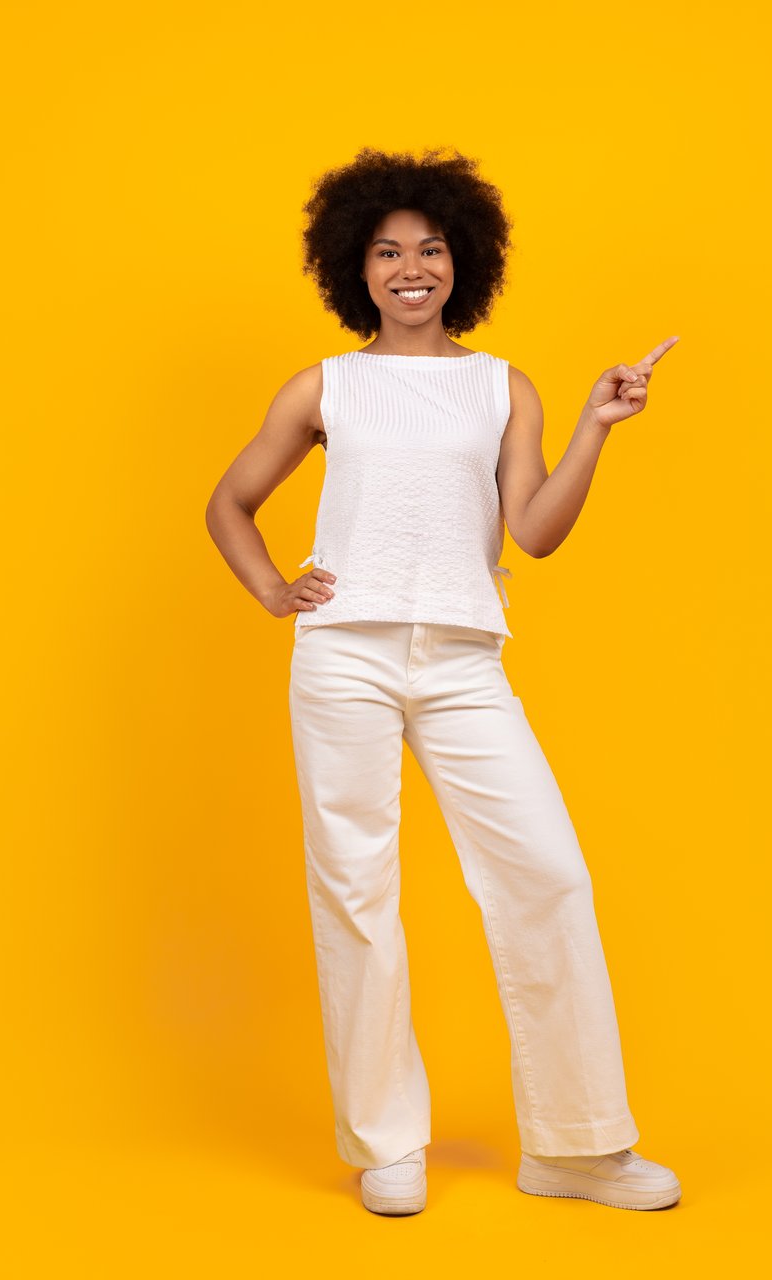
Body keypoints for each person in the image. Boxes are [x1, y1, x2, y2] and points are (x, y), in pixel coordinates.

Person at [204, 145, 682, 1216]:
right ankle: (387, 1142)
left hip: (466, 657)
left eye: (429, 249)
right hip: (346, 655)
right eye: (387, 251)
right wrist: (275, 588)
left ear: (464, 259)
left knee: (548, 874)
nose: (410, 267)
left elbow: (537, 531)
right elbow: (228, 502)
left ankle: (575, 1145)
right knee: (357, 891)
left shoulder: (501, 386)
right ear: (354, 268)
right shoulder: (323, 385)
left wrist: (598, 429)